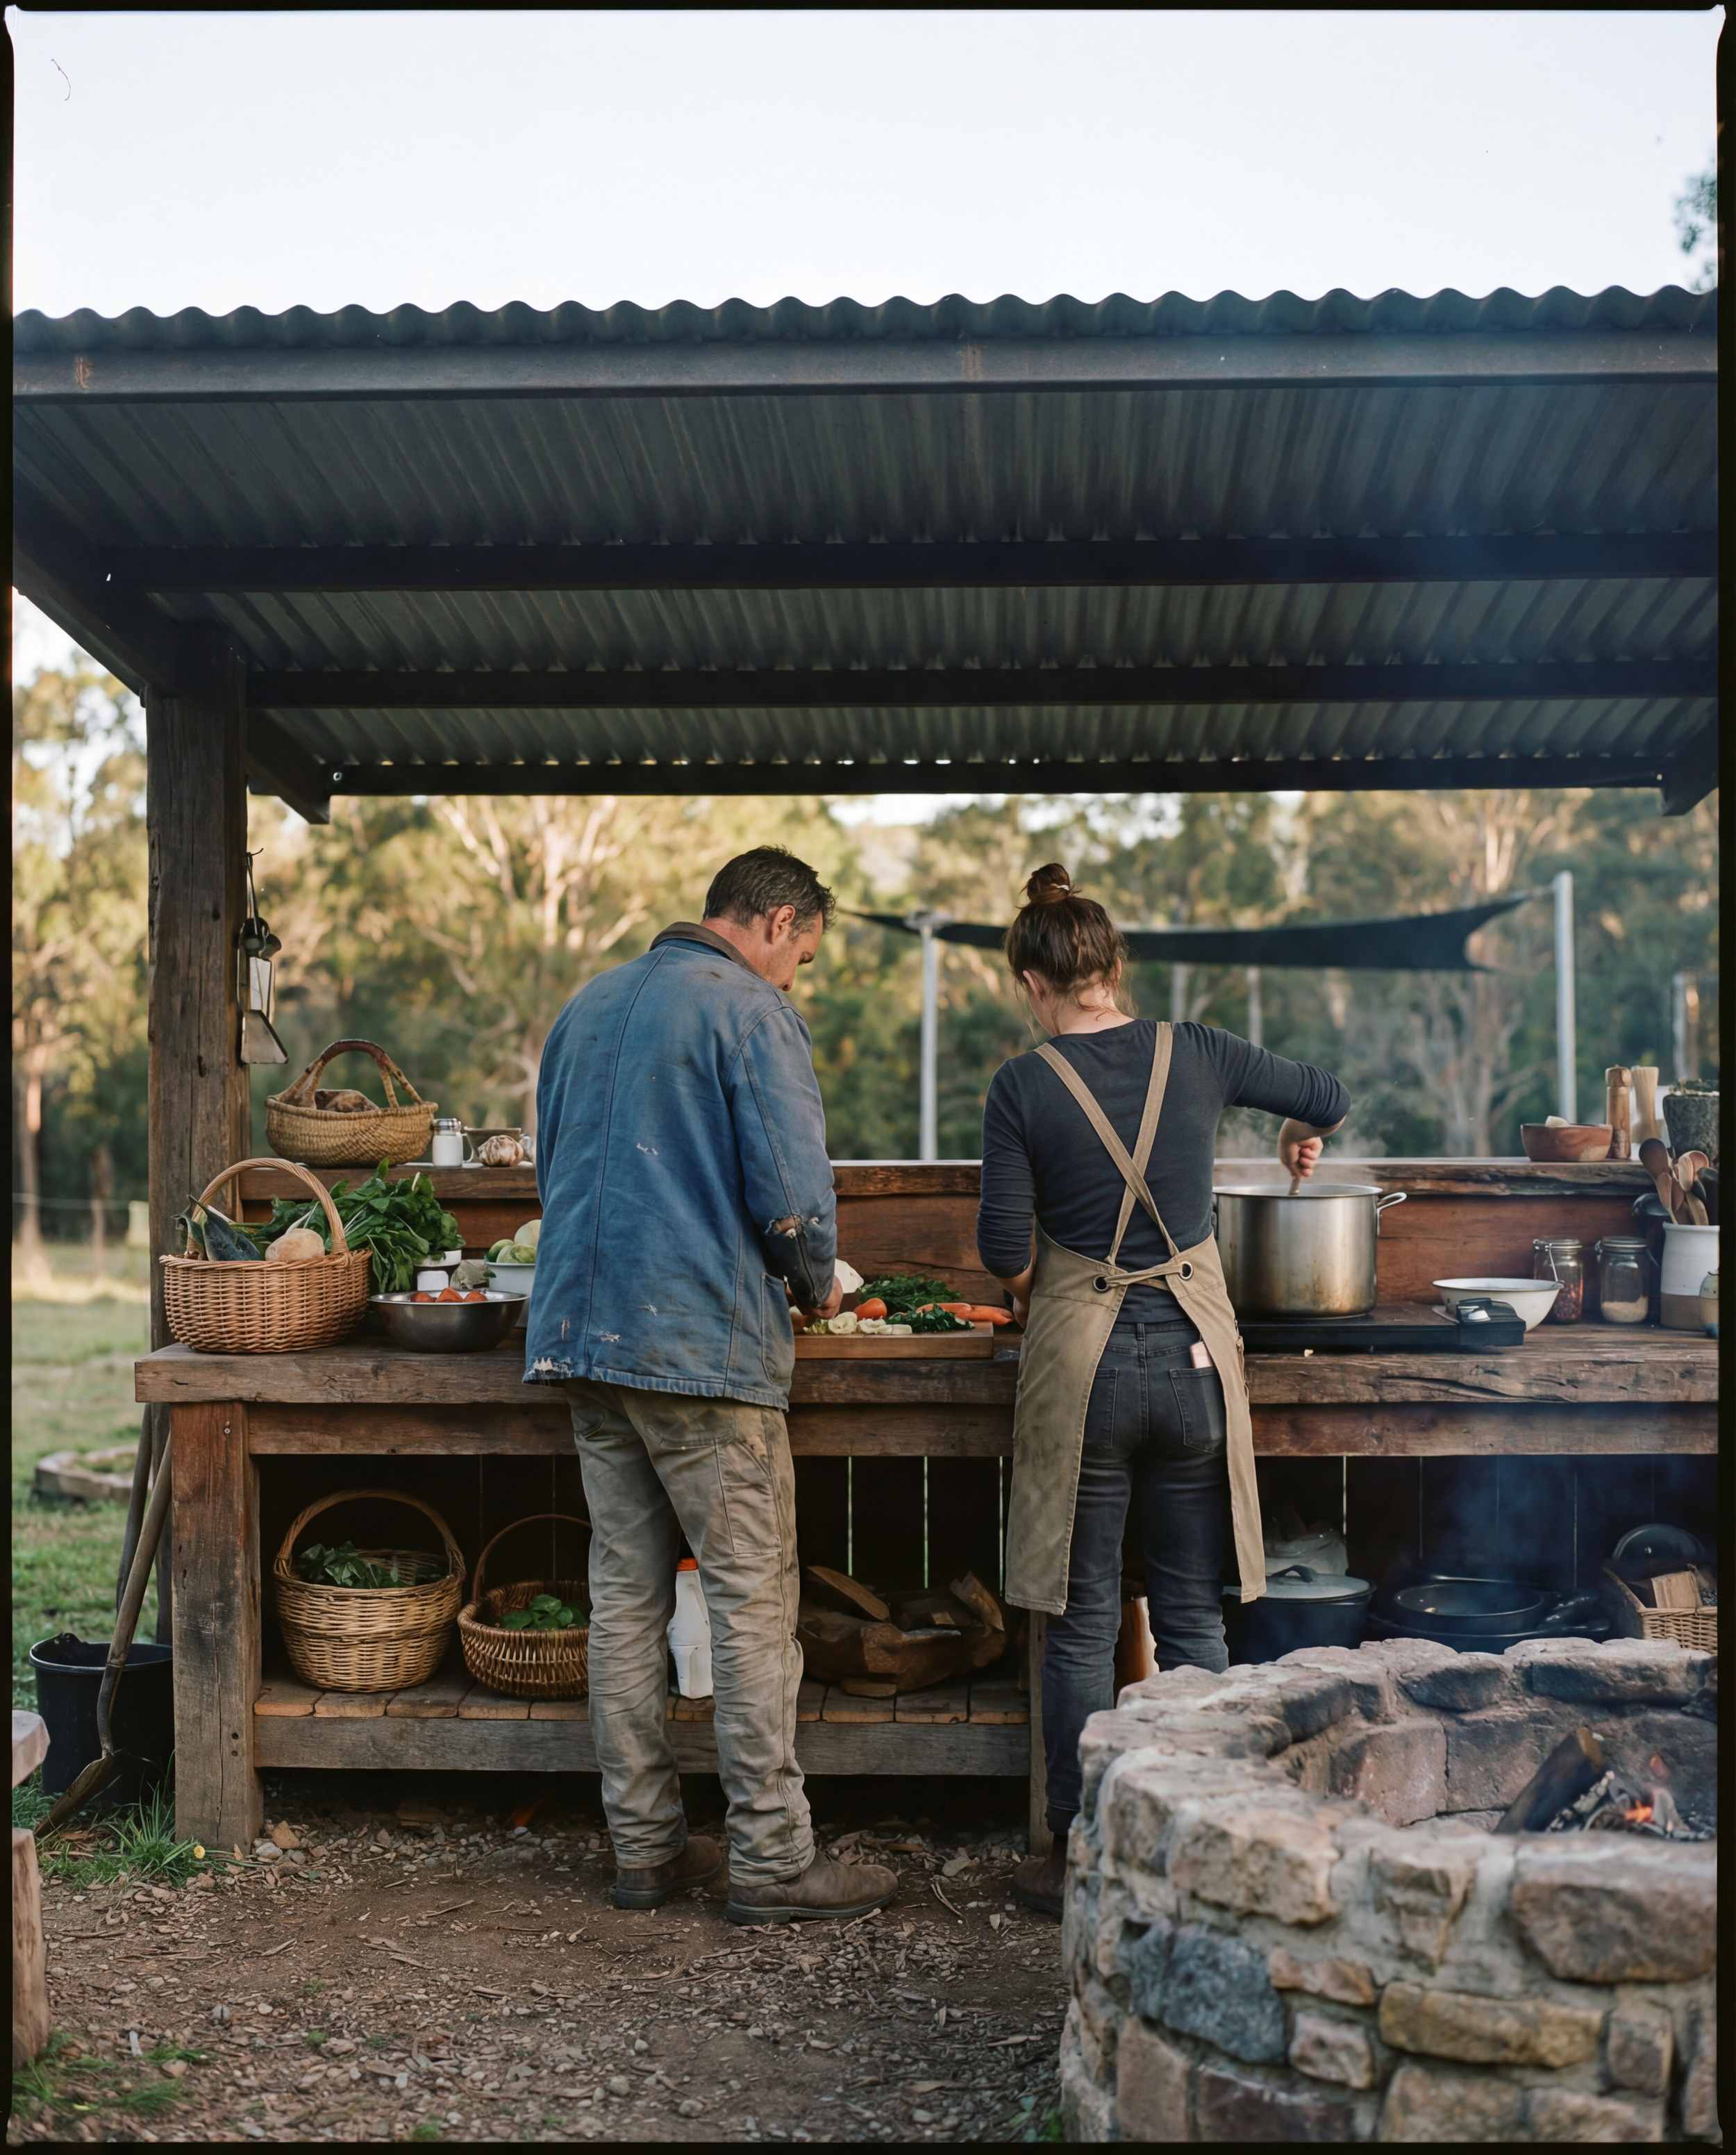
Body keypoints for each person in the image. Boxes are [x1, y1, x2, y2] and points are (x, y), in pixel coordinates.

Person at [529, 846, 897, 1925]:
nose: (798, 979)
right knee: (748, 1600)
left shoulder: (586, 1005)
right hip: (700, 1345)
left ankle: (644, 1849)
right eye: (806, 956)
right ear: (777, 921)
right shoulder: (747, 1008)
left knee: (624, 1596)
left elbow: (555, 1172)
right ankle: (773, 1858)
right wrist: (813, 1277)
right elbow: (791, 1194)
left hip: (582, 1334)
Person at [977, 865, 1348, 1917]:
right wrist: (1289, 1133)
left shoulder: (1023, 1084)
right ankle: (1213, 1832)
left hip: (1086, 1378)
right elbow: (1326, 1096)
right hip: (1194, 1364)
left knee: (1082, 1616)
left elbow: (1005, 1248)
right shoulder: (1203, 1050)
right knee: (1191, 1610)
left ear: (1033, 982)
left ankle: (1075, 1848)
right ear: (1112, 968)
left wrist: (1049, 1283)